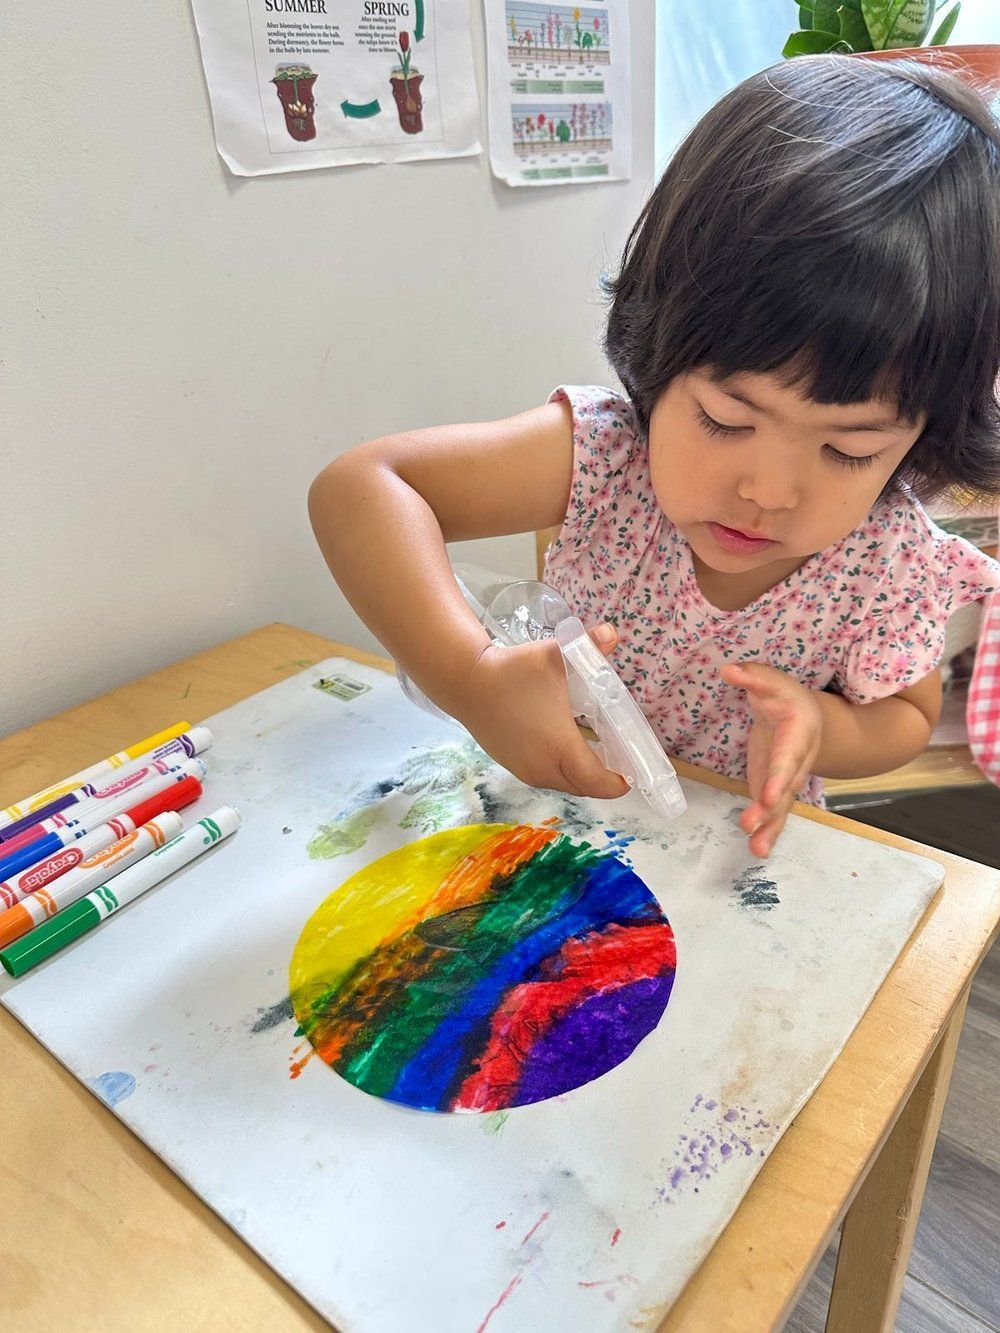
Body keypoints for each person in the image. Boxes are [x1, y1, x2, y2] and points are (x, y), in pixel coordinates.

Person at [309, 55, 1000, 858]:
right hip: (552, 829)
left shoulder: (890, 559)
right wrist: (470, 678)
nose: (768, 491)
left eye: (848, 449)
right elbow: (362, 486)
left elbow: (907, 718)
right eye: (724, 419)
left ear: (923, 438)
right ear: (659, 352)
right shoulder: (608, 457)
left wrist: (823, 725)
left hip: (730, 858)